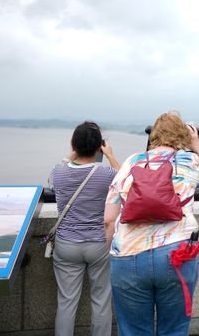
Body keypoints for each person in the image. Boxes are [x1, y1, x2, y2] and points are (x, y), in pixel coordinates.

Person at [105, 112, 199, 336]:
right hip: (176, 255)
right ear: (183, 136)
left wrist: (111, 254)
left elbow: (109, 219)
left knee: (133, 331)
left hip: (128, 256)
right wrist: (197, 148)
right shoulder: (190, 161)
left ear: (153, 137)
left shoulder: (131, 162)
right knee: (174, 329)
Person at [48, 121, 120, 336]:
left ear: (73, 145)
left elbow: (57, 171)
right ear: (100, 146)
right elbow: (127, 179)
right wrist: (110, 156)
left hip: (66, 244)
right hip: (99, 242)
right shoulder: (107, 174)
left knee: (66, 301)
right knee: (101, 300)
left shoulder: (58, 173)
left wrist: (70, 154)